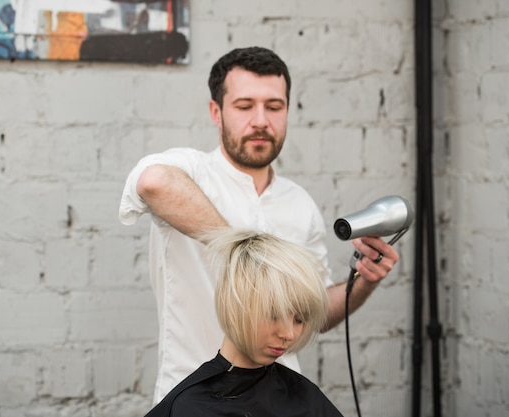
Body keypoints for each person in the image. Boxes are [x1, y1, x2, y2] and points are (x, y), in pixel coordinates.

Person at [118, 46, 399, 404]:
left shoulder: (300, 204)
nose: (261, 121)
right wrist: (246, 254)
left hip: (280, 401)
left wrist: (363, 280)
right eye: (245, 106)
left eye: (274, 106)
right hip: (195, 399)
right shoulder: (192, 171)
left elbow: (318, 314)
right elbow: (152, 182)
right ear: (216, 112)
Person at [144, 228, 344, 417]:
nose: (289, 334)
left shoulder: (306, 399)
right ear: (236, 305)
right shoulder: (187, 406)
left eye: (299, 319)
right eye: (274, 315)